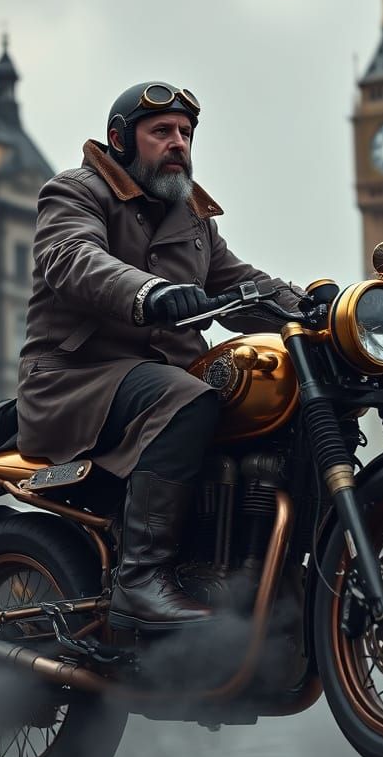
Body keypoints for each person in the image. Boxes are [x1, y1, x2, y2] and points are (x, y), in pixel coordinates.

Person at [17, 81, 305, 632]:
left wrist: (320, 306)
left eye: (186, 133)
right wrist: (150, 292)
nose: (179, 143)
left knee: (268, 413)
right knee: (188, 397)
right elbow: (72, 258)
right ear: (121, 139)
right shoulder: (75, 191)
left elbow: (242, 285)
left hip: (157, 382)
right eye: (162, 132)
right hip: (75, 381)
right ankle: (140, 581)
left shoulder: (192, 220)